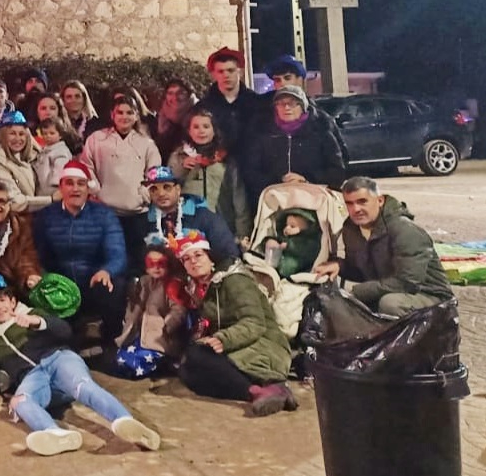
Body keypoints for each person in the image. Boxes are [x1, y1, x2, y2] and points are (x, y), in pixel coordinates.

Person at [0, 277, 160, 456]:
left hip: (58, 359)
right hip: (33, 377)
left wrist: (38, 323)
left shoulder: (31, 313)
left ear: (12, 302)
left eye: (2, 300)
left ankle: (125, 421)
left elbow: (64, 331)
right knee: (20, 402)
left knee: (83, 386)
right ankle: (55, 434)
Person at [172, 231, 296, 416]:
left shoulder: (235, 280)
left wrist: (223, 339)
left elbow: (254, 322)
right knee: (188, 372)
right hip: (237, 343)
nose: (194, 261)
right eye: (187, 259)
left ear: (211, 258)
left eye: (198, 255)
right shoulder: (199, 288)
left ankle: (265, 387)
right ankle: (263, 391)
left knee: (197, 357)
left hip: (263, 343)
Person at [313, 176, 453, 316]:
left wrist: (359, 292)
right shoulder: (351, 229)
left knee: (390, 304)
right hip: (387, 289)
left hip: (429, 295)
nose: (356, 209)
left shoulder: (404, 230)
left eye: (362, 202)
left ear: (380, 200)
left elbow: (408, 282)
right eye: (349, 203)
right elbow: (362, 271)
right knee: (333, 304)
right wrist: (340, 266)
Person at [32, 161, 127, 342]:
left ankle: (111, 341)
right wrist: (44, 277)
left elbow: (118, 254)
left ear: (88, 188)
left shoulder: (104, 215)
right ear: (61, 187)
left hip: (92, 282)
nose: (75, 189)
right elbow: (38, 254)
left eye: (80, 183)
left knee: (115, 285)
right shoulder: (46, 216)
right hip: (60, 285)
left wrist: (106, 271)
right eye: (69, 183)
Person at [80, 97, 161, 258]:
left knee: (136, 260)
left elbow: (154, 174)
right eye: (120, 112)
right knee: (107, 257)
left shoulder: (147, 144)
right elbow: (86, 166)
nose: (124, 117)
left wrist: (143, 195)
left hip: (137, 215)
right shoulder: (96, 139)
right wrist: (95, 190)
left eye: (129, 112)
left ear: (137, 115)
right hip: (104, 212)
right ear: (112, 115)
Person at [239, 85, 345, 207]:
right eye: (280, 103)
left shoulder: (321, 133)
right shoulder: (263, 134)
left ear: (303, 107)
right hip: (274, 202)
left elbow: (337, 172)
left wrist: (305, 180)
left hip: (314, 200)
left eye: (293, 103)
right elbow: (251, 172)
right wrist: (279, 181)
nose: (286, 107)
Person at [166, 106, 251, 239]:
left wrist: (242, 234)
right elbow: (167, 190)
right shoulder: (179, 156)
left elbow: (239, 200)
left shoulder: (225, 159)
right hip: (189, 228)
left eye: (206, 126)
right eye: (196, 127)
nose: (201, 131)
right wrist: (181, 167)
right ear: (189, 130)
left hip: (222, 226)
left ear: (214, 130)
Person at [112, 246, 188, 379]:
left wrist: (168, 325)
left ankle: (161, 365)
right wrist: (129, 319)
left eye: (161, 263)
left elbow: (178, 309)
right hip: (138, 333)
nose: (156, 268)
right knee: (121, 359)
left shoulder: (172, 285)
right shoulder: (143, 282)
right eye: (151, 264)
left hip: (159, 337)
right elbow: (134, 306)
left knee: (140, 362)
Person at [141, 165, 239, 266]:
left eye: (167, 187)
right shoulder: (145, 222)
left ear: (178, 189)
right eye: (153, 189)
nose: (160, 193)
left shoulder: (204, 217)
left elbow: (229, 256)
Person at [263, 54, 349, 161]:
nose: (282, 84)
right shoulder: (262, 116)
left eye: (287, 78)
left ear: (300, 80)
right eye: (277, 80)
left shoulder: (320, 119)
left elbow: (340, 159)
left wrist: (311, 177)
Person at [198, 47, 267, 159]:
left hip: (250, 167)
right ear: (213, 75)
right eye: (221, 71)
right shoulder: (204, 107)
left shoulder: (256, 103)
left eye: (230, 70)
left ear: (240, 71)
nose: (226, 75)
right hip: (216, 167)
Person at [0, 111, 52, 212]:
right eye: (12, 133)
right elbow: (15, 202)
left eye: (21, 134)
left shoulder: (37, 157)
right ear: (3, 136)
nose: (18, 139)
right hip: (20, 221)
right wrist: (51, 199)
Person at [260, 209, 323, 278]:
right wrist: (269, 241)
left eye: (292, 226)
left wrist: (289, 245)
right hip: (277, 265)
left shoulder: (312, 242)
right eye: (287, 225)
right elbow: (278, 240)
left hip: (298, 268)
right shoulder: (285, 237)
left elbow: (306, 250)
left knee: (289, 266)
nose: (287, 228)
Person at [153, 79, 198, 159]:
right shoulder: (162, 116)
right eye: (170, 93)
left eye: (180, 93)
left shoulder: (200, 114)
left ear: (189, 94)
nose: (175, 97)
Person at [32, 118, 73, 196]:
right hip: (42, 187)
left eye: (52, 133)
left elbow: (60, 169)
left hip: (53, 190)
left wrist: (56, 186)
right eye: (45, 133)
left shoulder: (61, 151)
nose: (48, 136)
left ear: (60, 135)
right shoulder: (44, 151)